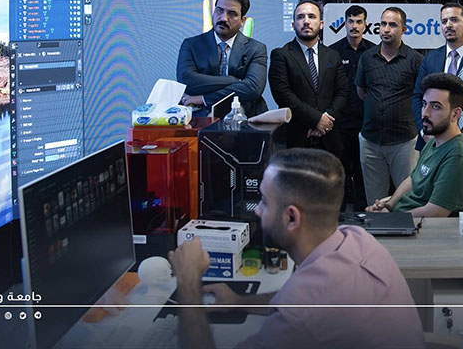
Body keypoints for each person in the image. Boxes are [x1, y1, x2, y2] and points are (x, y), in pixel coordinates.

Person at [168, 148, 425, 349]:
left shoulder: (302, 316)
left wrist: (188, 282)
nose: (257, 211)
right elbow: (297, 300)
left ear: (292, 217)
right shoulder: (358, 239)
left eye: (264, 201)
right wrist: (238, 301)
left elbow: (303, 308)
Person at [367, 73, 463, 217]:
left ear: (455, 114)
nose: (425, 113)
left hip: (422, 226)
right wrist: (388, 206)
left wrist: (390, 219)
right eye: (424, 104)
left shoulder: (456, 155)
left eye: (436, 107)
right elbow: (413, 179)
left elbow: (436, 212)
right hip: (403, 216)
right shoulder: (433, 142)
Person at [355, 7, 423, 204]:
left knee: (407, 201)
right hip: (371, 140)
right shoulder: (367, 58)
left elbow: (420, 97)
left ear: (404, 29)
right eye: (383, 24)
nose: (386, 29)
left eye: (392, 25)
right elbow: (362, 92)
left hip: (405, 142)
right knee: (375, 202)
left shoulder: (415, 60)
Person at [268, 0, 349, 158]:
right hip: (296, 137)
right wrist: (316, 120)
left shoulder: (333, 55)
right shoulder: (281, 55)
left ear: (321, 24)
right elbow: (282, 94)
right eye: (300, 17)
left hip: (330, 137)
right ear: (293, 25)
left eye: (312, 16)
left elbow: (343, 92)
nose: (306, 21)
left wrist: (325, 121)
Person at [176, 0, 268, 117]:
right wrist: (234, 81)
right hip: (200, 118)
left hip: (245, 118)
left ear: (243, 21)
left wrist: (204, 98)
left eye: (232, 14)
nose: (223, 18)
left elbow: (253, 88)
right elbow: (187, 81)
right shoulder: (191, 45)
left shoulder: (256, 48)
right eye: (219, 10)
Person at [328, 5, 374, 208]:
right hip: (340, 124)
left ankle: (364, 212)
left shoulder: (374, 51)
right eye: (351, 21)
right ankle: (337, 215)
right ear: (344, 23)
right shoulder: (333, 52)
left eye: (359, 22)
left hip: (366, 124)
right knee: (340, 172)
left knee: (364, 172)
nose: (354, 26)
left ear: (365, 25)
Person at [411, 2, 463, 149]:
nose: (448, 25)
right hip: (432, 141)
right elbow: (417, 96)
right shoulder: (431, 58)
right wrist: (425, 130)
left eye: (454, 20)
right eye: (444, 21)